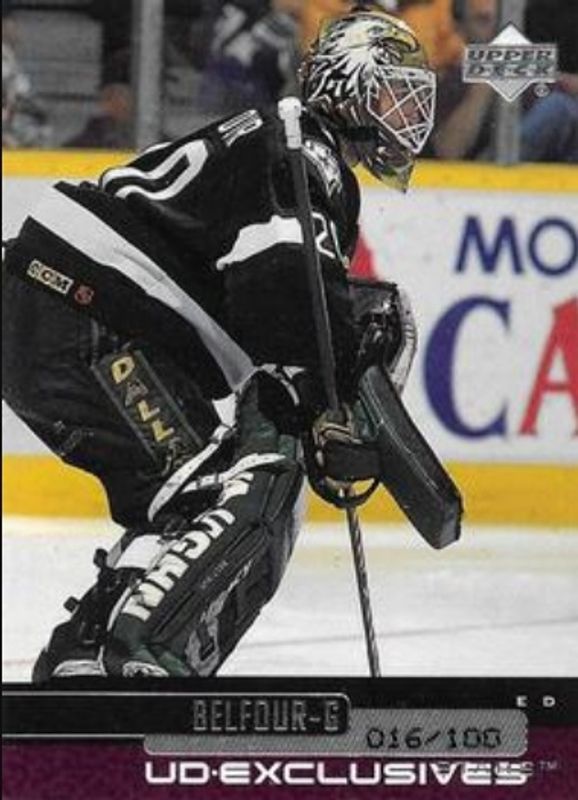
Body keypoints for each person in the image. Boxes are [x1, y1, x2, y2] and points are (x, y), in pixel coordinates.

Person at [2, 7, 435, 679]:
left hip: (66, 304)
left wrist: (317, 400)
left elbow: (272, 309)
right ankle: (147, 653)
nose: (408, 115)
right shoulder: (305, 148)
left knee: (183, 500)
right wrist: (329, 399)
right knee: (234, 492)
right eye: (393, 92)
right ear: (346, 81)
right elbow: (282, 283)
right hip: (83, 310)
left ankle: (82, 660)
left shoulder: (290, 141)